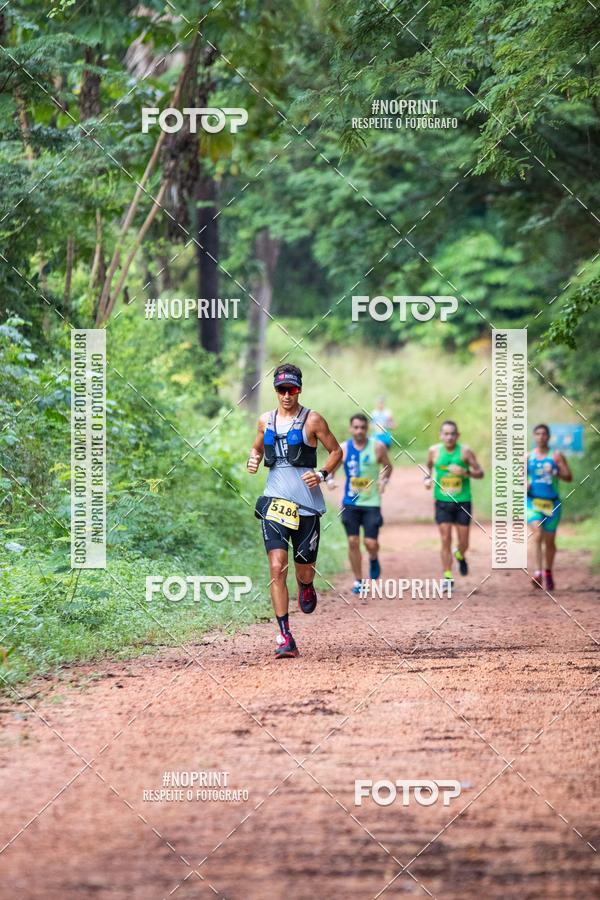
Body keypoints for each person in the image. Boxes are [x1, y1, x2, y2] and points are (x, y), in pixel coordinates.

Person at [247, 364, 342, 658]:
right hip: (275, 503)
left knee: (303, 566)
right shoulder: (265, 420)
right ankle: (285, 636)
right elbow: (256, 449)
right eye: (281, 390)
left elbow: (336, 451)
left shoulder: (313, 420)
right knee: (277, 567)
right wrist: (253, 459)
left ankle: (306, 585)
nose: (287, 395)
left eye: (292, 389)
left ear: (299, 389)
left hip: (307, 506)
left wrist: (323, 473)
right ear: (275, 391)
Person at [331, 413, 393, 594]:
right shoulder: (343, 448)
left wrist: (384, 481)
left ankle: (373, 557)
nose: (359, 431)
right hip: (350, 503)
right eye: (355, 427)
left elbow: (388, 466)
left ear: (367, 429)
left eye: (362, 428)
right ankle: (358, 580)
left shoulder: (378, 447)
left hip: (371, 502)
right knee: (352, 541)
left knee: (370, 542)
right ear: (351, 428)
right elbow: (331, 469)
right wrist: (330, 481)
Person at [424, 420, 484, 591]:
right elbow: (428, 468)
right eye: (446, 434)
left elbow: (480, 473)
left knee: (464, 542)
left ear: (457, 435)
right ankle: (447, 576)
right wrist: (427, 478)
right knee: (445, 539)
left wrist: (465, 472)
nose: (449, 437)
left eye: (452, 434)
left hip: (462, 502)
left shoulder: (465, 452)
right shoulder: (434, 452)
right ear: (440, 435)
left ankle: (460, 554)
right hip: (442, 501)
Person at [527, 423, 572, 591]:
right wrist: (523, 483)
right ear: (534, 436)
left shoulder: (556, 456)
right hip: (533, 502)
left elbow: (568, 476)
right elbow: (519, 477)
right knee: (537, 534)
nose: (541, 437)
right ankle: (537, 573)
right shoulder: (528, 457)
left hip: (552, 504)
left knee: (550, 542)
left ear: (548, 437)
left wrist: (555, 472)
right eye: (537, 434)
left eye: (544, 434)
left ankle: (548, 572)